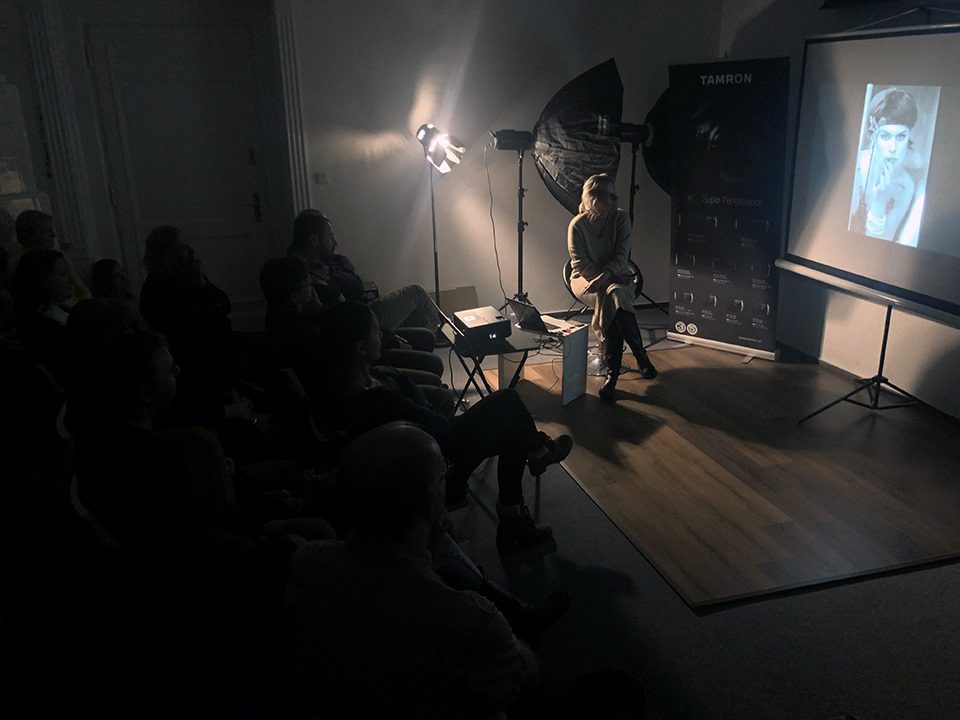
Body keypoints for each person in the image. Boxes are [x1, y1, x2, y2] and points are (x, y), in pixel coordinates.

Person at [283, 422, 540, 717]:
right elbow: (525, 679)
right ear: (433, 501)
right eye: (444, 472)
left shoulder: (306, 564)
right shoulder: (468, 619)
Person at [316, 301, 571, 551]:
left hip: (435, 444)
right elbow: (439, 428)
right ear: (361, 347)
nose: (381, 335)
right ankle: (535, 456)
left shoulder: (354, 382)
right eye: (375, 331)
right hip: (439, 464)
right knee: (507, 400)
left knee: (514, 431)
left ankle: (515, 512)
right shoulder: (375, 401)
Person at [567, 173, 657, 402]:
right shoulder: (577, 226)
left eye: (614, 195)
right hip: (584, 280)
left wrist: (605, 277)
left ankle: (612, 375)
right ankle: (640, 356)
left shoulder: (621, 219)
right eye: (609, 196)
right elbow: (580, 264)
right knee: (613, 295)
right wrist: (601, 280)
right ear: (593, 199)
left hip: (616, 277)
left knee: (613, 294)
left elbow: (621, 257)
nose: (615, 200)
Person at [288, 209, 439, 343]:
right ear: (313, 240)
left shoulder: (324, 263)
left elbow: (354, 283)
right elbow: (349, 294)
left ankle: (425, 337)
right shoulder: (301, 274)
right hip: (360, 320)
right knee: (416, 293)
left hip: (362, 308)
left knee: (420, 319)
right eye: (330, 237)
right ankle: (440, 332)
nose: (335, 243)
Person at [849, 88, 922, 246]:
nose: (893, 148)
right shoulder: (856, 166)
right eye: (885, 136)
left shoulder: (905, 186)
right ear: (873, 135)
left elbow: (880, 245)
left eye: (901, 136)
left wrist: (880, 203)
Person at [9, 209, 90, 302]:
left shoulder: (12, 264)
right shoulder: (56, 259)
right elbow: (82, 291)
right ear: (33, 235)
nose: (54, 234)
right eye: (48, 230)